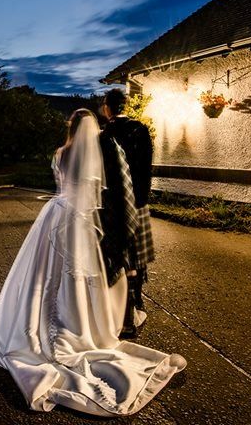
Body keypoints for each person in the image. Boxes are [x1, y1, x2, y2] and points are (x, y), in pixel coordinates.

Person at [0, 109, 185, 416]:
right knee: (77, 275)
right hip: (79, 218)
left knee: (42, 272)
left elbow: (61, 183)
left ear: (71, 127)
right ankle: (79, 323)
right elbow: (94, 191)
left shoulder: (60, 152)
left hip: (55, 212)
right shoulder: (94, 154)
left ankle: (34, 323)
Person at [98, 88, 155, 339]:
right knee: (137, 254)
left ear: (107, 108)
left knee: (117, 253)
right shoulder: (141, 129)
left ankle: (120, 305)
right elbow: (147, 166)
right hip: (138, 200)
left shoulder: (104, 134)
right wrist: (142, 196)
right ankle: (137, 299)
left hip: (113, 203)